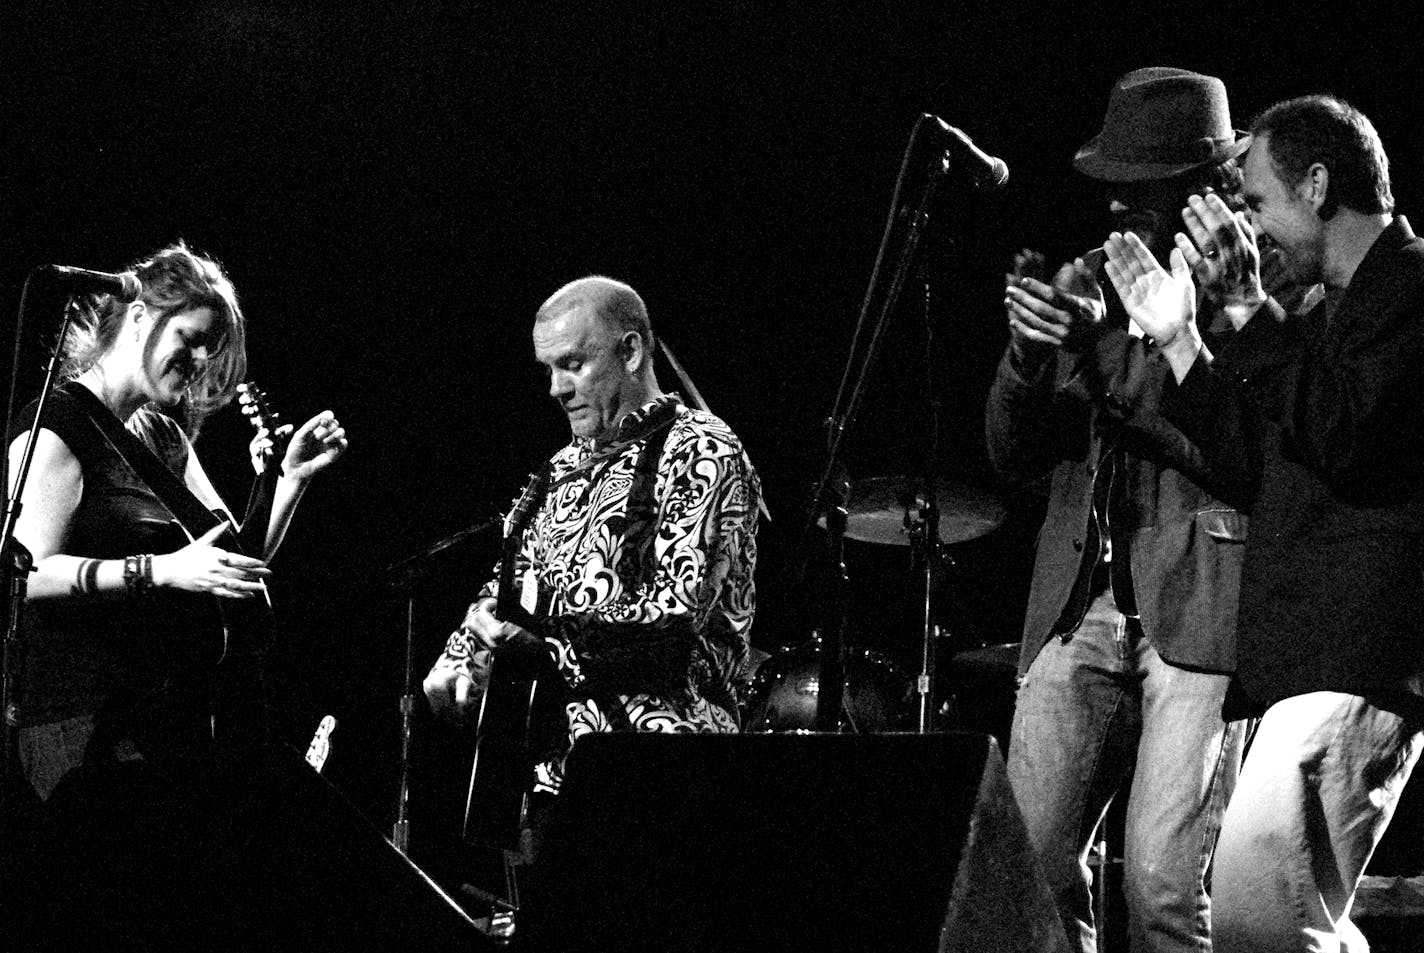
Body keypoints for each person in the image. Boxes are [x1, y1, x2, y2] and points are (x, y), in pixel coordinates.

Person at [985, 68, 1315, 952]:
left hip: (1199, 609)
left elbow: (1246, 458)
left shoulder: (1261, 286)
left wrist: (1118, 348)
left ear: (1200, 185)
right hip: (1077, 606)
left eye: (1139, 185)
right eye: (1111, 185)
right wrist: (1027, 356)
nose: (1117, 204)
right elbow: (1012, 457)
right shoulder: (1090, 276)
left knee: (1167, 888)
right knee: (1027, 877)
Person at [1104, 94, 1424, 952]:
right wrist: (1180, 347)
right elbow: (1258, 468)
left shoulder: (1412, 287)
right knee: (1273, 923)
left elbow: (1346, 434)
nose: (1247, 229)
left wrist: (1247, 308)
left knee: (1265, 918)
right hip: (1308, 658)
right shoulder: (1325, 312)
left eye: (1254, 202)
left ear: (1317, 185)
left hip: (1361, 654)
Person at [2, 242, 349, 948]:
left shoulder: (160, 433)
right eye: (190, 342)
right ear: (139, 316)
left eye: (209, 352)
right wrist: (158, 571)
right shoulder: (58, 428)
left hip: (166, 722)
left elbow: (230, 561)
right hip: (82, 723)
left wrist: (288, 483)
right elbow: (25, 574)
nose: (197, 368)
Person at [423, 275, 759, 798]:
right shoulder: (558, 470)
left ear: (630, 351)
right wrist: (461, 656)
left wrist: (547, 645)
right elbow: (509, 587)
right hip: (554, 774)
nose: (556, 388)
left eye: (573, 364)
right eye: (549, 369)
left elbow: (675, 619)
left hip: (668, 760)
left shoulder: (701, 448)